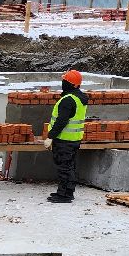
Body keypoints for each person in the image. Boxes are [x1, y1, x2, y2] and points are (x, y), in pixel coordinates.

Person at [44, 70, 88, 203]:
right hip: (74, 139)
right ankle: (68, 192)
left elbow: (61, 121)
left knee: (64, 167)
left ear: (70, 84)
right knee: (70, 166)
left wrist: (50, 136)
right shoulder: (79, 97)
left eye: (65, 81)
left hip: (64, 140)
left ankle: (63, 195)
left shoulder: (68, 100)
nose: (62, 83)